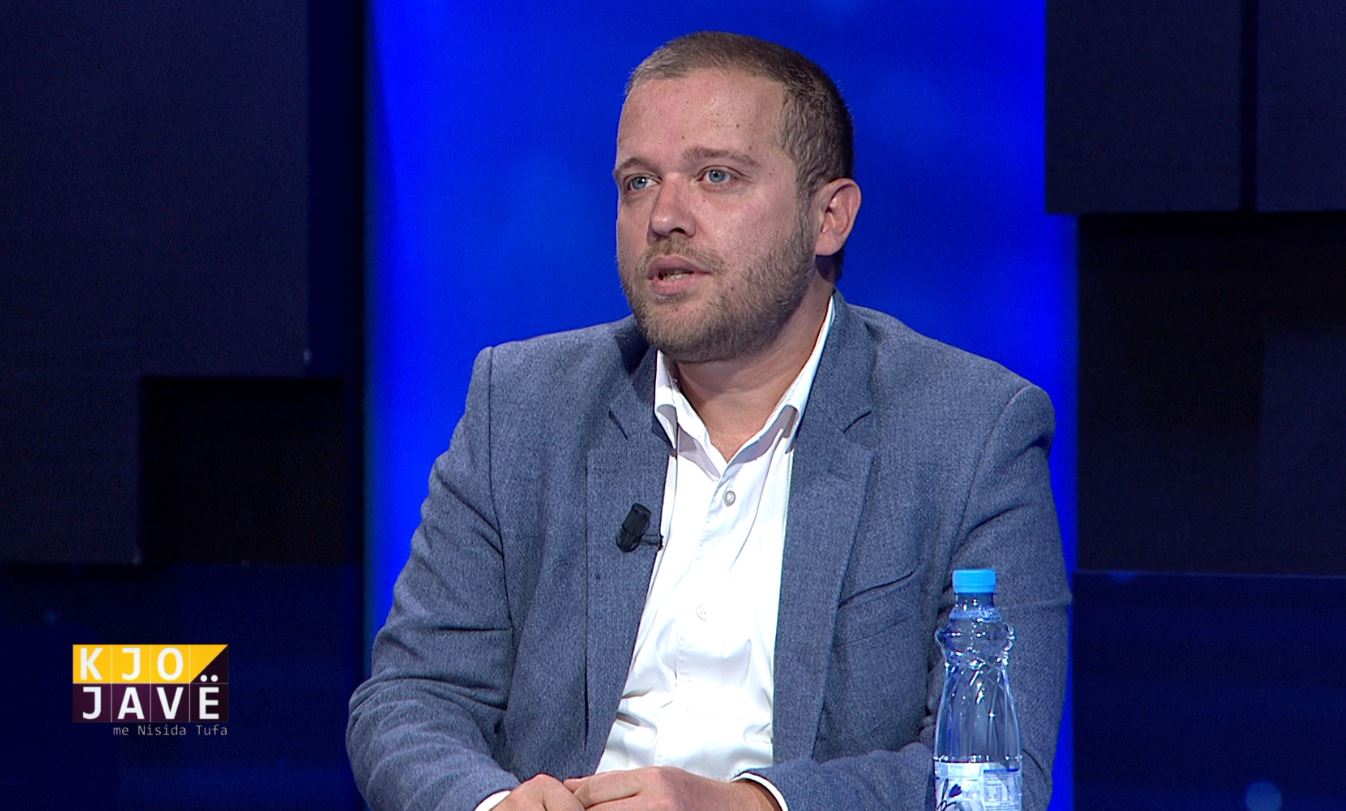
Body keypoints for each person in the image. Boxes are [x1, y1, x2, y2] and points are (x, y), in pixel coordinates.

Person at [348, 31, 1069, 811]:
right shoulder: (522, 403)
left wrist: (752, 805)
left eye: (716, 175)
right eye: (637, 182)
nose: (664, 216)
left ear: (829, 216)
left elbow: (996, 776)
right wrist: (494, 806)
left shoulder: (972, 430)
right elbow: (410, 701)